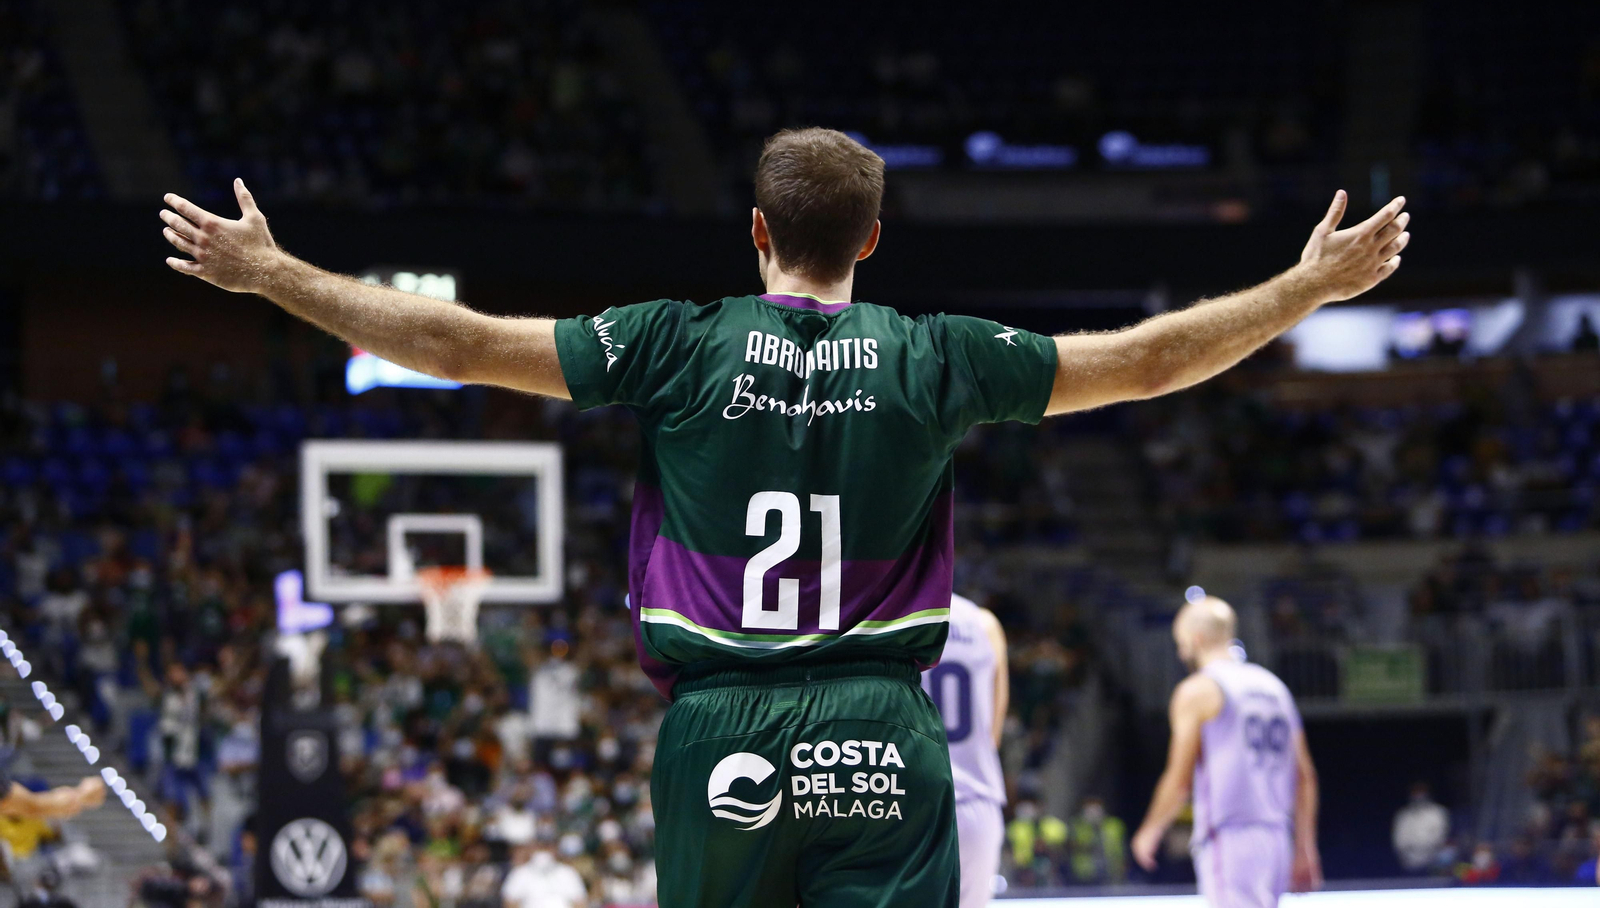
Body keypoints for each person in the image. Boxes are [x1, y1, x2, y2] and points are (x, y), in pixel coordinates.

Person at [159, 128, 1408, 908]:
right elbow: (1143, 363)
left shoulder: (673, 343)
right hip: (880, 726)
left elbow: (460, 346)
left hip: (719, 727)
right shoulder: (936, 356)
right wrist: (1300, 288)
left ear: (755, 232)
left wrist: (273, 273)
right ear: (872, 237)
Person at [1130, 596, 1321, 908]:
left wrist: (1150, 830)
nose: (1180, 653)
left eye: (1181, 644)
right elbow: (1305, 777)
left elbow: (1179, 782)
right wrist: (1305, 847)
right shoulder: (1274, 687)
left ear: (1196, 639)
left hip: (1231, 837)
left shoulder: (1198, 690)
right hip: (1276, 838)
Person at [921, 593, 1008, 908]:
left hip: (912, 800)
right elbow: (993, 731)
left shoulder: (894, 615)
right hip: (977, 799)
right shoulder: (986, 624)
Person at [501, 840, 587, 908]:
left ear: (555, 849)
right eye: (540, 847)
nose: (543, 853)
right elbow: (509, 901)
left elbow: (580, 902)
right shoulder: (520, 872)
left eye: (546, 847)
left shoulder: (568, 872)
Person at [1391, 780, 1448, 873]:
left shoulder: (1438, 812)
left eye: (1421, 792)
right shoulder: (1403, 815)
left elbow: (1440, 837)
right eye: (1415, 793)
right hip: (1408, 863)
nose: (1418, 796)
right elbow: (1399, 842)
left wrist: (1425, 849)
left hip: (1433, 863)